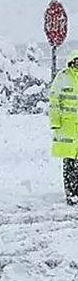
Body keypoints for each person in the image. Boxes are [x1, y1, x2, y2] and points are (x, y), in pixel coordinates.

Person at [49, 50, 78, 205]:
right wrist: (55, 122)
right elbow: (54, 100)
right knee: (69, 162)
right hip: (67, 128)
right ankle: (71, 193)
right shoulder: (63, 77)